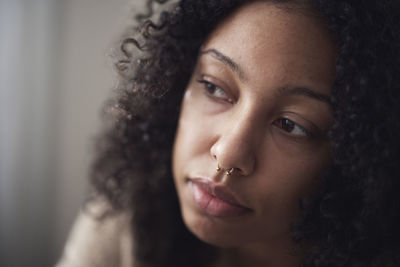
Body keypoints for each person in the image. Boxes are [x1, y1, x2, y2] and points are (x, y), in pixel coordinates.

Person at [56, 0, 400, 267]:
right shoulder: (127, 215)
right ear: (177, 83)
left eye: (292, 125)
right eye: (214, 87)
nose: (229, 153)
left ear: (352, 158)